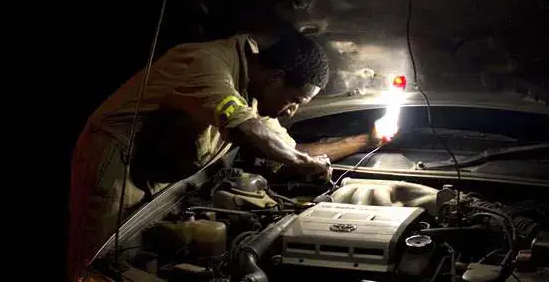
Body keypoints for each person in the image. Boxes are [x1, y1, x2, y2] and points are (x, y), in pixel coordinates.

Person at [67, 32, 382, 280]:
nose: (293, 111)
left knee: (147, 255)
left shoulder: (256, 94)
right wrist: (302, 164)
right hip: (117, 166)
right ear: (275, 77)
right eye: (295, 100)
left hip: (164, 171)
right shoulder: (207, 64)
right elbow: (249, 131)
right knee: (101, 265)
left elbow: (291, 150)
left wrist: (364, 140)